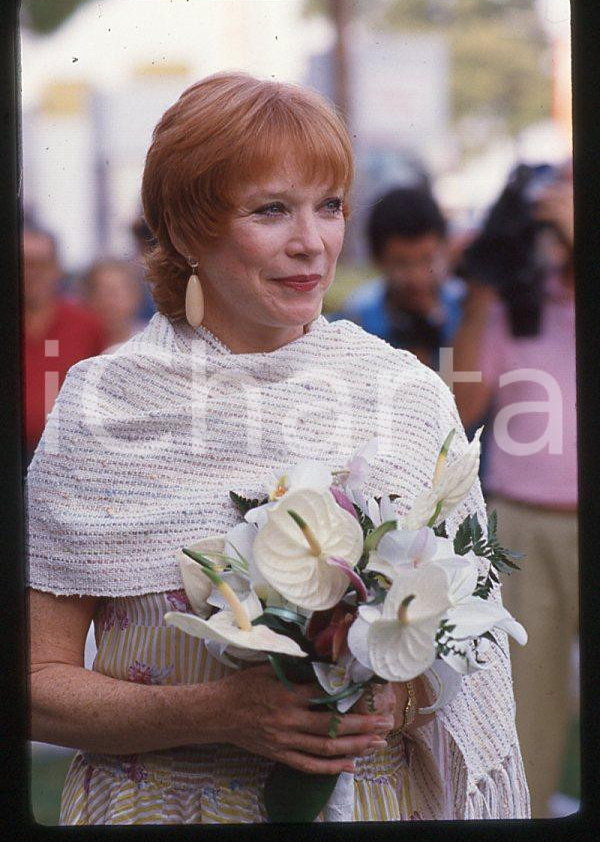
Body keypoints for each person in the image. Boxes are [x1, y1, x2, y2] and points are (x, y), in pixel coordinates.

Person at [26, 72, 529, 825]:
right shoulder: (104, 406)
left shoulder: (408, 393)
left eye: (328, 206)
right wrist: (216, 712)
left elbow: (472, 652)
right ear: (189, 228)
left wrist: (392, 696)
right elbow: (34, 681)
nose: (312, 243)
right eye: (271, 210)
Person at [451, 162, 576, 818]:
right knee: (525, 711)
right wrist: (479, 290)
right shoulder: (512, 303)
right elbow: (460, 401)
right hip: (524, 523)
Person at [342, 186, 465, 370]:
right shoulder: (358, 319)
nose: (417, 277)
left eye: (427, 259)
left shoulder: (464, 307)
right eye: (401, 263)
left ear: (444, 249)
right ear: (378, 259)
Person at [22, 224, 108, 465]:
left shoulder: (86, 324)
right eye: (25, 264)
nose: (33, 273)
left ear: (57, 268)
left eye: (42, 264)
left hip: (70, 458)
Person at [81, 257, 146, 353]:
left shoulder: (150, 343)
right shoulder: (76, 343)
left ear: (135, 296)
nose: (108, 302)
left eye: (114, 293)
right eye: (100, 293)